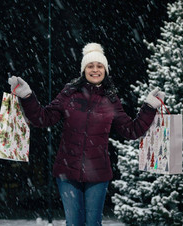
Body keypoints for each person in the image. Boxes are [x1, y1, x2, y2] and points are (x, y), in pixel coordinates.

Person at [8, 43, 165, 226]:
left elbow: (131, 130)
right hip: (67, 172)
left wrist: (149, 107)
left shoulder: (111, 99)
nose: (95, 70)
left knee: (92, 223)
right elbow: (44, 118)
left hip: (98, 175)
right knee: (74, 223)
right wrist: (27, 96)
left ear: (105, 70)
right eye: (90, 66)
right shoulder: (69, 93)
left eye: (99, 66)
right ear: (84, 70)